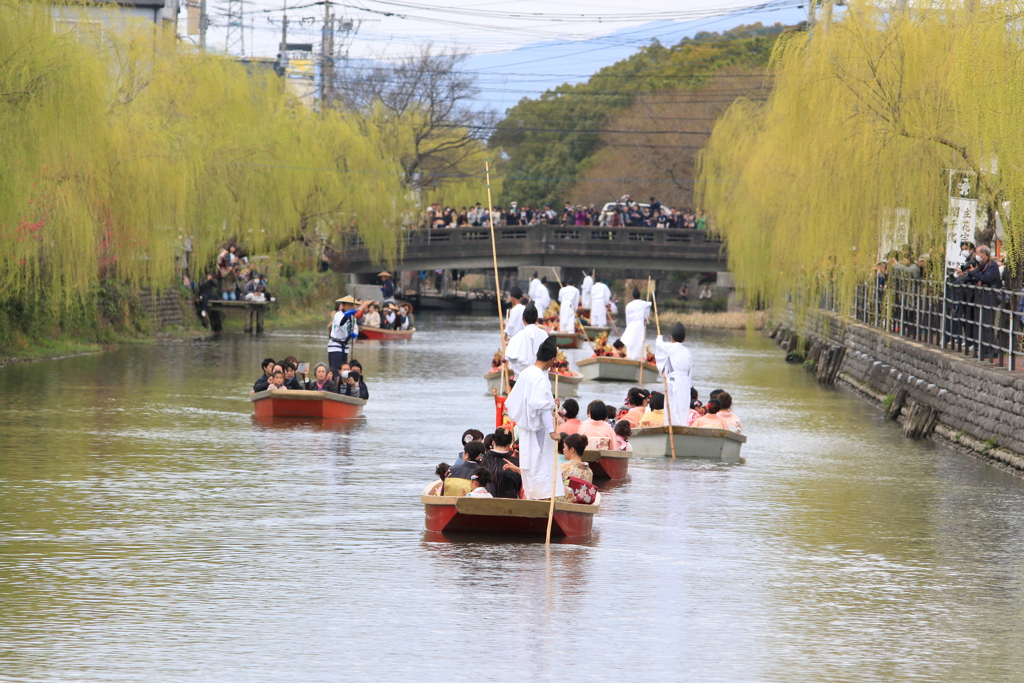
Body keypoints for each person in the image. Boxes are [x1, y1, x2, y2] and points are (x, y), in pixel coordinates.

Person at [503, 336, 563, 500]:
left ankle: (534, 497)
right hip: (538, 429)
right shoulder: (538, 377)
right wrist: (552, 432)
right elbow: (541, 408)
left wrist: (551, 403)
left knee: (532, 465)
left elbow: (538, 402)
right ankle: (542, 499)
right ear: (551, 359)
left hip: (526, 430)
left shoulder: (527, 372)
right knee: (541, 465)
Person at [655, 322, 693, 428]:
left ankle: (672, 425)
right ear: (684, 340)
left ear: (672, 338)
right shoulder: (687, 352)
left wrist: (659, 337)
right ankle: (681, 425)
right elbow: (690, 371)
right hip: (685, 381)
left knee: (673, 404)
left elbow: (659, 345)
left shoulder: (672, 347)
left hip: (674, 380)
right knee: (682, 405)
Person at [504, 303, 551, 376]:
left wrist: (504, 358)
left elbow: (511, 357)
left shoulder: (518, 336)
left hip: (523, 378)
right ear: (536, 319)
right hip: (540, 378)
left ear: (522, 318)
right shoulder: (544, 334)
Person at [478, 427, 522, 499]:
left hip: (485, 501)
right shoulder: (515, 463)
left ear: (493, 442)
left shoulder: (482, 459)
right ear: (509, 444)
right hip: (510, 503)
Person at [328, 296, 359, 374]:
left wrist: (354, 335)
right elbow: (341, 323)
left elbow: (355, 329)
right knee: (335, 370)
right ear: (343, 305)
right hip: (335, 346)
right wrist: (347, 315)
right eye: (348, 305)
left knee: (344, 371)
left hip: (345, 346)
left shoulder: (353, 318)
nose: (350, 306)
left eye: (351, 305)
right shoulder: (338, 315)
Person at [620, 287, 652, 360]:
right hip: (639, 325)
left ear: (632, 296)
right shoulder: (644, 303)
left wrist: (627, 327)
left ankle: (631, 357)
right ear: (640, 296)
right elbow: (647, 310)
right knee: (638, 342)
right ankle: (634, 358)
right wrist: (646, 318)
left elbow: (627, 318)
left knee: (632, 342)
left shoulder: (628, 305)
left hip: (631, 325)